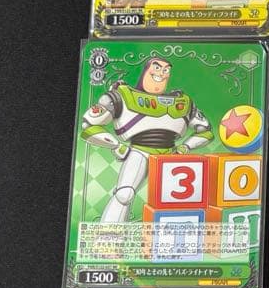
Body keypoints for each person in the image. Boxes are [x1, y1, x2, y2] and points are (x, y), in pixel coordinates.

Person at [81, 56, 212, 223]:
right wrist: (116, 145)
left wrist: (186, 147)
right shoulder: (122, 96)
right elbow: (89, 125)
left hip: (171, 156)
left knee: (178, 199)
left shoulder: (183, 102)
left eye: (166, 70)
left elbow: (205, 131)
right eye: (157, 67)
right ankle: (109, 236)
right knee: (124, 194)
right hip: (139, 152)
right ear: (146, 70)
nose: (162, 73)